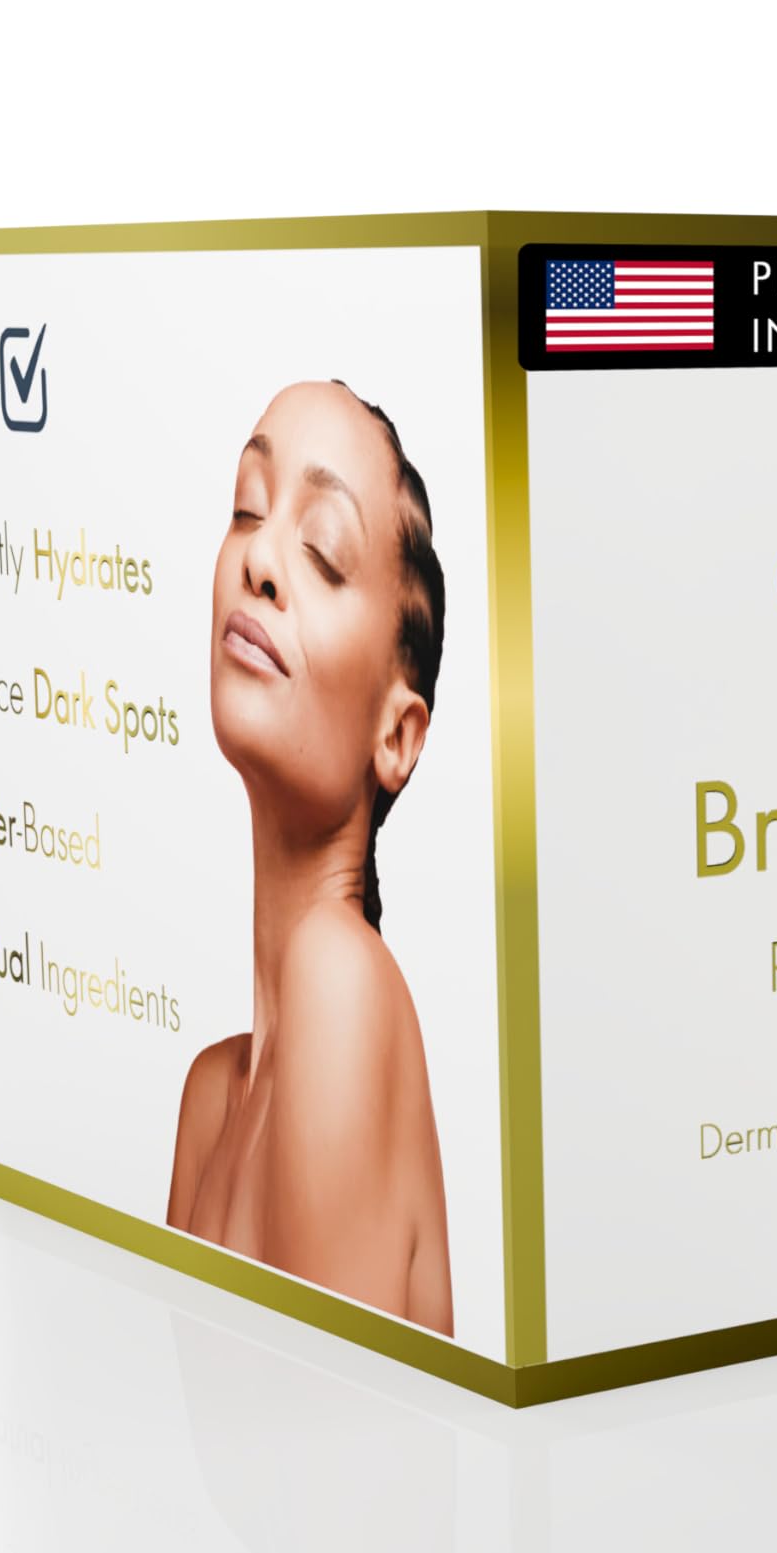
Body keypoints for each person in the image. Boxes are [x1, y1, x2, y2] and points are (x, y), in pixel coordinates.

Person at [168, 380, 455, 1337]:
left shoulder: (342, 981)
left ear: (397, 735)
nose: (259, 560)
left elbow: (335, 1436)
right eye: (248, 509)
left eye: (324, 552)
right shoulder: (210, 1102)